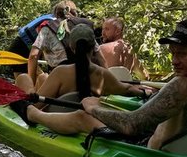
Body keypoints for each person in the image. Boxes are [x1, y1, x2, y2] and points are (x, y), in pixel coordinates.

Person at [18, 19, 187, 150]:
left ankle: (32, 114)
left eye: (182, 54)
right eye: (173, 53)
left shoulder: (179, 86)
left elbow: (131, 126)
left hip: (153, 149)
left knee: (84, 115)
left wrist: (91, 107)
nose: (175, 60)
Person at [12, 23, 149, 104]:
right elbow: (127, 89)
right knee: (41, 78)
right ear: (94, 48)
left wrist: (31, 93)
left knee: (23, 78)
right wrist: (147, 93)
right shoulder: (103, 75)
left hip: (58, 119)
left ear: (72, 47)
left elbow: (38, 106)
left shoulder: (60, 73)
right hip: (80, 117)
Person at [23, 0, 102, 88]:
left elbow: (33, 56)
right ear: (75, 12)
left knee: (29, 78)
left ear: (56, 14)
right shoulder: (84, 28)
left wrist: (32, 85)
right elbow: (100, 57)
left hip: (61, 83)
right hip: (89, 80)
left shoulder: (47, 30)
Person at [99, 16, 150, 80]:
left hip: (106, 88)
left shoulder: (102, 49)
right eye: (102, 29)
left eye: (107, 29)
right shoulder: (130, 51)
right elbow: (145, 76)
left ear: (117, 31)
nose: (102, 33)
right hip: (124, 88)